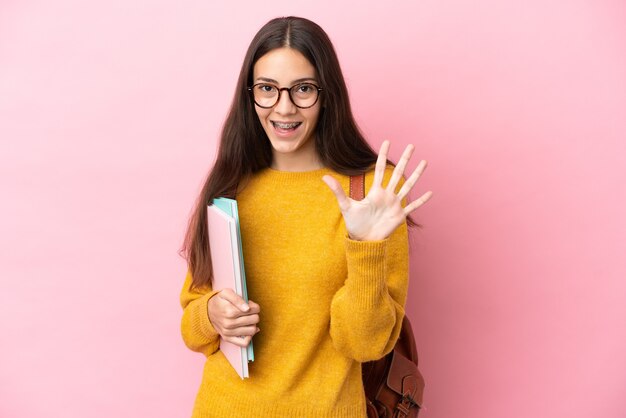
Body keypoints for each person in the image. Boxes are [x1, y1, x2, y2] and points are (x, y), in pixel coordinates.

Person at [179, 16, 433, 418]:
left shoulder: (373, 193)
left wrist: (365, 248)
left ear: (327, 94)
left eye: (302, 89)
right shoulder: (231, 183)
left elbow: (365, 345)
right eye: (267, 89)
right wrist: (211, 313)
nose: (284, 107)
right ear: (250, 96)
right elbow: (192, 324)